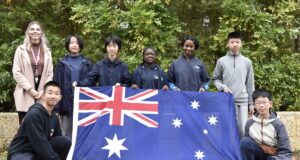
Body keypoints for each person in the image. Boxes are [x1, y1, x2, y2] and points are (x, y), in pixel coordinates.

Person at [7, 81, 71, 160]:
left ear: (60, 97)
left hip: (39, 150)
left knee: (65, 141)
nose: (53, 96)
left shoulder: (54, 117)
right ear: (43, 96)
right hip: (23, 151)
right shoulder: (34, 114)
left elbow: (57, 139)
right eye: (50, 93)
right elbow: (40, 143)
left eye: (57, 94)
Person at [212, 31, 254, 138]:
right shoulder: (221, 61)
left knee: (242, 130)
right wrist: (223, 87)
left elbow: (250, 83)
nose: (235, 44)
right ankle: (228, 153)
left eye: (237, 42)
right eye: (232, 42)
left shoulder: (247, 62)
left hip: (242, 102)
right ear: (227, 44)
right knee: (227, 129)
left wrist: (251, 103)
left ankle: (241, 154)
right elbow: (215, 79)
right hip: (226, 101)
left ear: (241, 44)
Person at [12, 21, 53, 124]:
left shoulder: (47, 51)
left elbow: (50, 73)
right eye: (32, 29)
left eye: (38, 29)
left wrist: (44, 90)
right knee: (24, 125)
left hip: (42, 91)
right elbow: (16, 72)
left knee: (40, 125)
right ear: (28, 32)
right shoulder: (20, 50)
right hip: (25, 90)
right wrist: (30, 89)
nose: (35, 31)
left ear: (41, 33)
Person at [54, 35, 92, 137]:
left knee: (83, 133)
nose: (74, 45)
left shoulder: (87, 63)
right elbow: (57, 83)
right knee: (66, 132)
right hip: (66, 102)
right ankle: (66, 153)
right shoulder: (61, 63)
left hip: (83, 102)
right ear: (67, 45)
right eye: (71, 43)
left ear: (80, 45)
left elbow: (91, 82)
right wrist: (57, 105)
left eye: (76, 43)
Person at [240, 89, 292, 160]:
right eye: (258, 103)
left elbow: (285, 150)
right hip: (258, 154)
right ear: (254, 105)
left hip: (273, 156)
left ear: (270, 104)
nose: (261, 105)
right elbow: (248, 146)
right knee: (244, 142)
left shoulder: (278, 124)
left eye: (264, 102)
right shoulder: (250, 123)